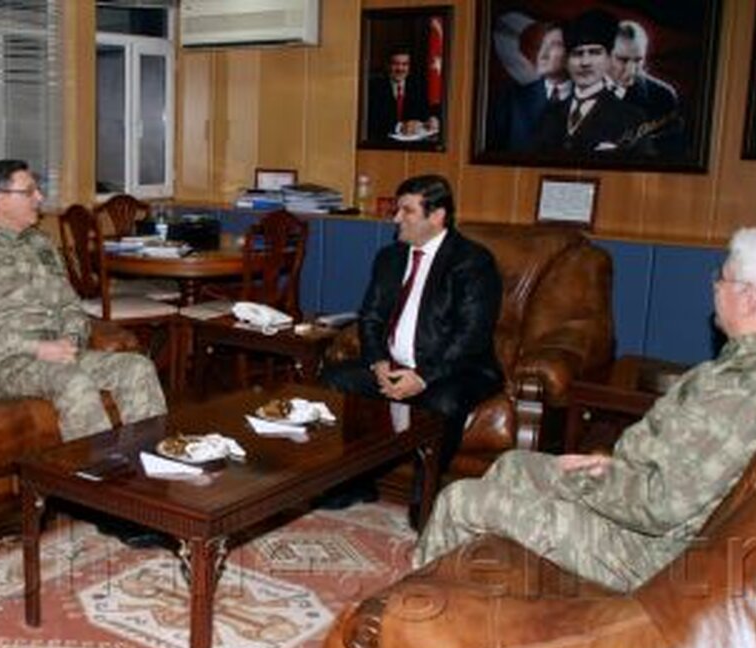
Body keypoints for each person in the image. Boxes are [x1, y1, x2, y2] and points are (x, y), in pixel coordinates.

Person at [415, 227, 756, 592]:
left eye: (722, 278)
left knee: (460, 501)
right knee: (514, 465)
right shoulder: (731, 369)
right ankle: (485, 593)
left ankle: (413, 607)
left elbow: (662, 506)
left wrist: (588, 479)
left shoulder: (738, 393)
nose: (715, 286)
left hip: (649, 554)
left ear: (749, 298)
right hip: (638, 506)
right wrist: (606, 465)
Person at [0, 158, 166, 442]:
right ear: (1, 199)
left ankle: (148, 460)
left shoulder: (41, 244)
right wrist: (37, 348)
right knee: (72, 381)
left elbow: (70, 304)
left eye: (38, 190)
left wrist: (71, 338)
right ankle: (97, 467)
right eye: (29, 191)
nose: (39, 197)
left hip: (57, 351)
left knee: (137, 368)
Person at [319, 175, 503, 505]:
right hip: (392, 364)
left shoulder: (473, 262)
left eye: (407, 211)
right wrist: (377, 362)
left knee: (443, 403)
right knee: (335, 378)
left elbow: (470, 336)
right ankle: (355, 480)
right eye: (397, 210)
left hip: (454, 370)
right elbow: (370, 317)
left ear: (437, 216)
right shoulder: (390, 258)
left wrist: (421, 376)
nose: (396, 219)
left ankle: (424, 493)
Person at [533, 8, 653, 157]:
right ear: (567, 62)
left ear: (608, 59)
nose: (585, 62)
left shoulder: (632, 118)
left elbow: (644, 169)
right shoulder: (550, 115)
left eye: (594, 52)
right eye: (577, 54)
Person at [610, 19, 683, 155]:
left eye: (638, 60)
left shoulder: (663, 96)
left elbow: (670, 154)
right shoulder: (580, 87)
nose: (631, 70)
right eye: (623, 60)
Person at [496, 22, 571, 152]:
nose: (542, 54)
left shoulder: (596, 99)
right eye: (542, 45)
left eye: (554, 45)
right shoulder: (512, 99)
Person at [367, 48, 439, 141]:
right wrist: (400, 127)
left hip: (413, 141)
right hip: (382, 141)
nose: (400, 69)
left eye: (404, 64)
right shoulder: (374, 87)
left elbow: (424, 112)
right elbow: (372, 121)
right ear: (387, 65)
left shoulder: (418, 86)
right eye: (395, 64)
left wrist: (431, 119)